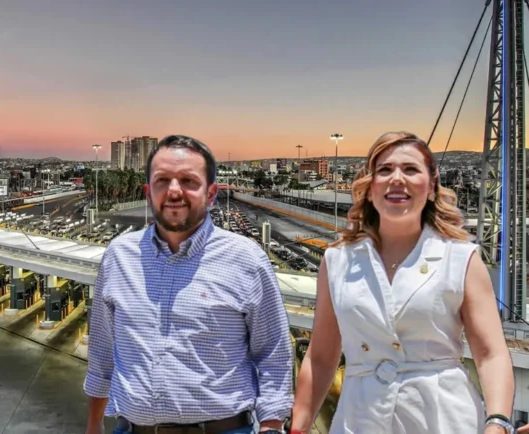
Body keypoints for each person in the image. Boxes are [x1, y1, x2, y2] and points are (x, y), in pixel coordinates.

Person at [289, 132, 515, 434]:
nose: (397, 178)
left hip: (444, 419)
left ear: (431, 187)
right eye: (385, 170)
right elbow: (320, 358)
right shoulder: (337, 261)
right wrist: (297, 428)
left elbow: (490, 354)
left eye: (410, 169)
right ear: (370, 188)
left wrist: (497, 423)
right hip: (360, 420)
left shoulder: (461, 258)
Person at [84, 135, 293, 434]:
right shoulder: (118, 256)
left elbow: (274, 354)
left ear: (211, 194)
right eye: (162, 180)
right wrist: (94, 424)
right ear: (148, 192)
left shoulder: (247, 260)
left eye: (188, 181)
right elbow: (102, 354)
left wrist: (271, 426)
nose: (174, 190)